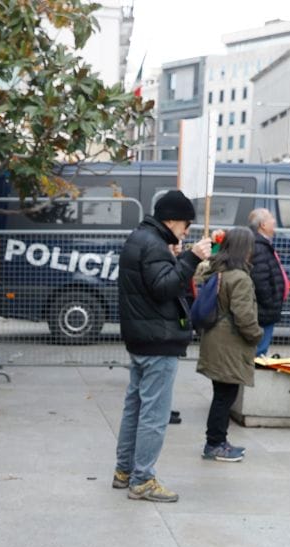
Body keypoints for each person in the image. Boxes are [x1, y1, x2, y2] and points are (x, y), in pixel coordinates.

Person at [113, 190, 211, 503]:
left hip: (142, 337)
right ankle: (142, 479)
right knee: (154, 413)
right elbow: (164, 287)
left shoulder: (140, 239)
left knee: (135, 407)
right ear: (171, 219)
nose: (187, 230)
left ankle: (124, 471)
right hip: (158, 339)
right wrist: (191, 257)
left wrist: (178, 257)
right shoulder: (154, 244)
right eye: (185, 224)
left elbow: (158, 280)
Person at [194, 227, 262, 461]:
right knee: (225, 397)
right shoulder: (240, 277)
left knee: (221, 395)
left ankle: (218, 441)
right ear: (245, 249)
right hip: (229, 344)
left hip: (216, 340)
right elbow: (244, 316)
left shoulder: (217, 270)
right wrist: (256, 335)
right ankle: (215, 444)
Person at [247, 208, 287, 356]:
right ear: (263, 224)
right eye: (271, 218)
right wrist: (270, 302)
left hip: (265, 309)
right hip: (264, 311)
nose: (274, 221)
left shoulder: (261, 244)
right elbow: (259, 280)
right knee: (258, 352)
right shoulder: (259, 247)